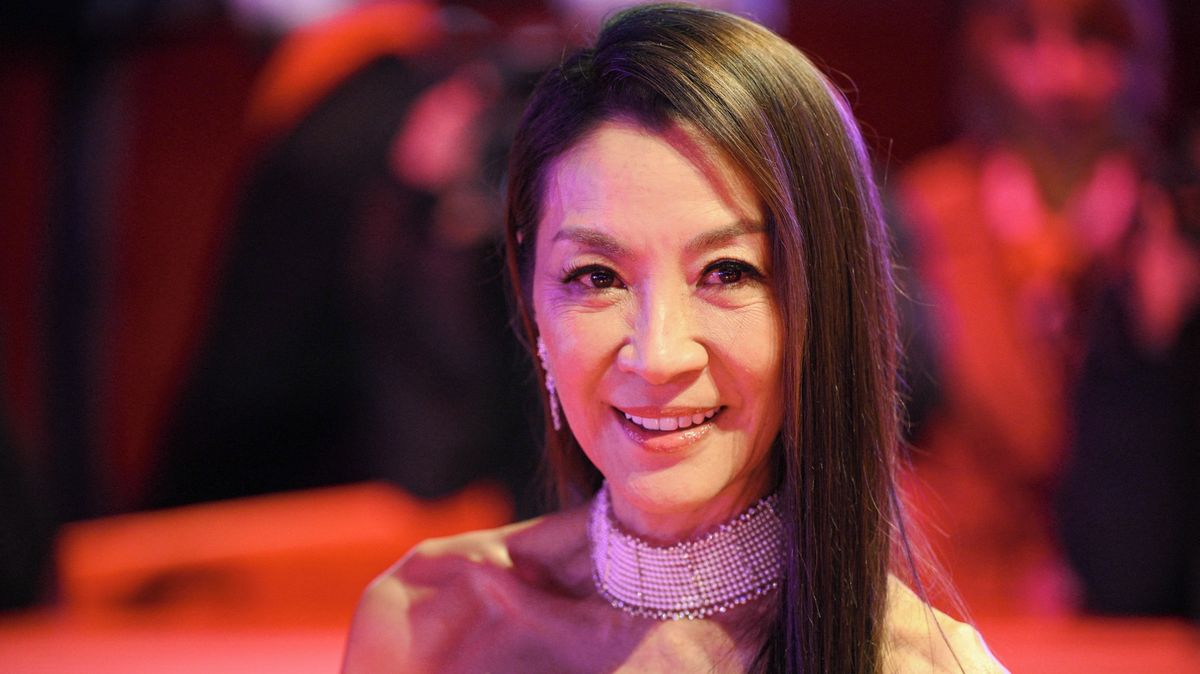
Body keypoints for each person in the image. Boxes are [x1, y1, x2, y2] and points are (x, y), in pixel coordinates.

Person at [343, 5, 1007, 672]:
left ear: (824, 306)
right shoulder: (427, 624)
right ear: (531, 294)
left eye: (727, 272)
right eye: (597, 276)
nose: (658, 356)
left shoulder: (923, 665)